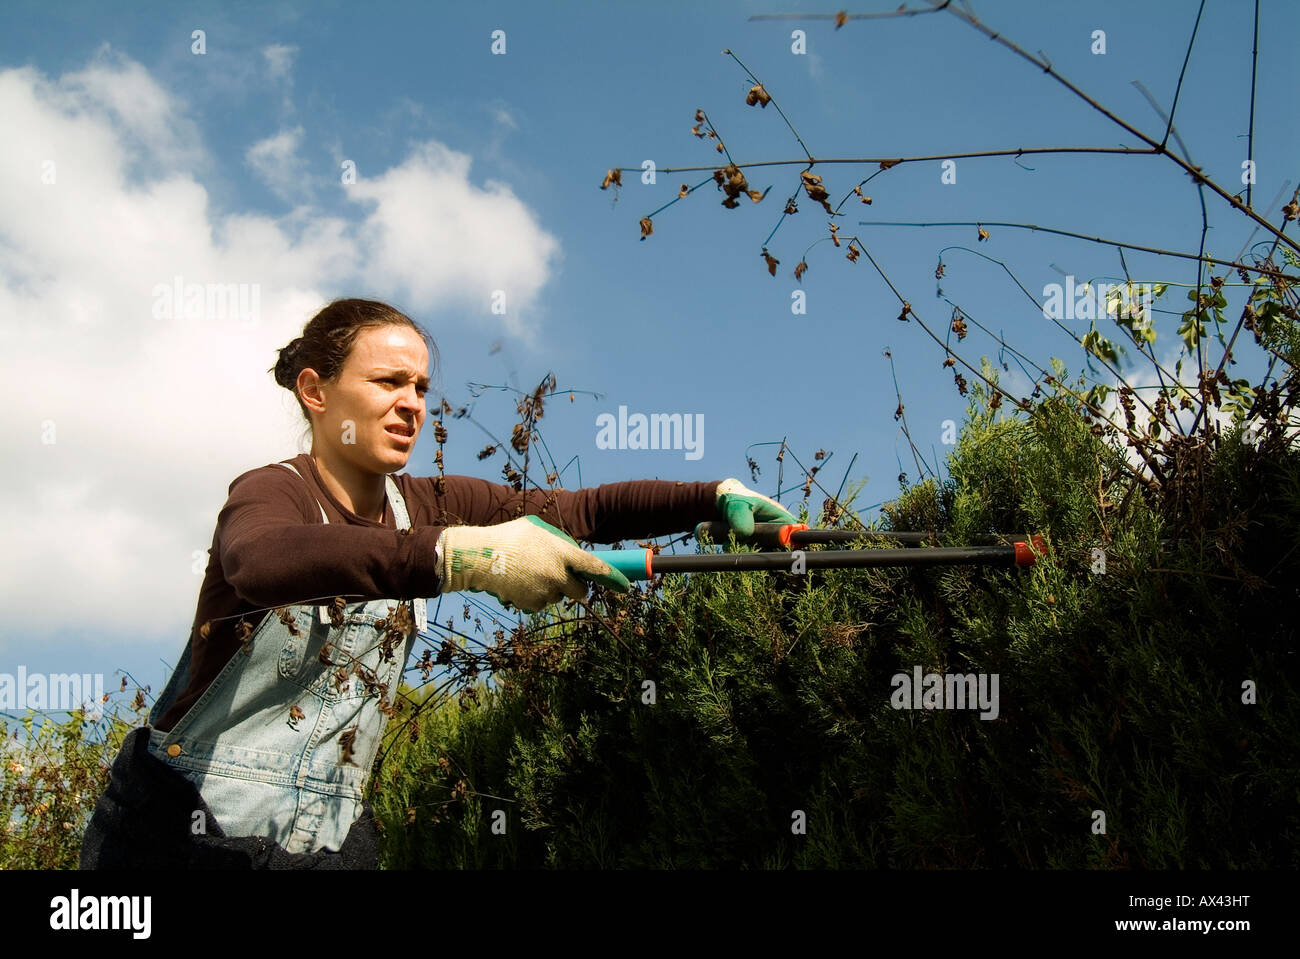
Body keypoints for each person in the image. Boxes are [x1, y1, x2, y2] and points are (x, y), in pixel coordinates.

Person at [79, 298, 796, 869]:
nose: (412, 403)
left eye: (421, 386)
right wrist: (457, 556)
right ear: (315, 391)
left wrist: (713, 494)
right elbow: (259, 561)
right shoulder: (272, 493)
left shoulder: (427, 504)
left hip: (323, 836)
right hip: (179, 824)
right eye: (388, 381)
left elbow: (582, 510)